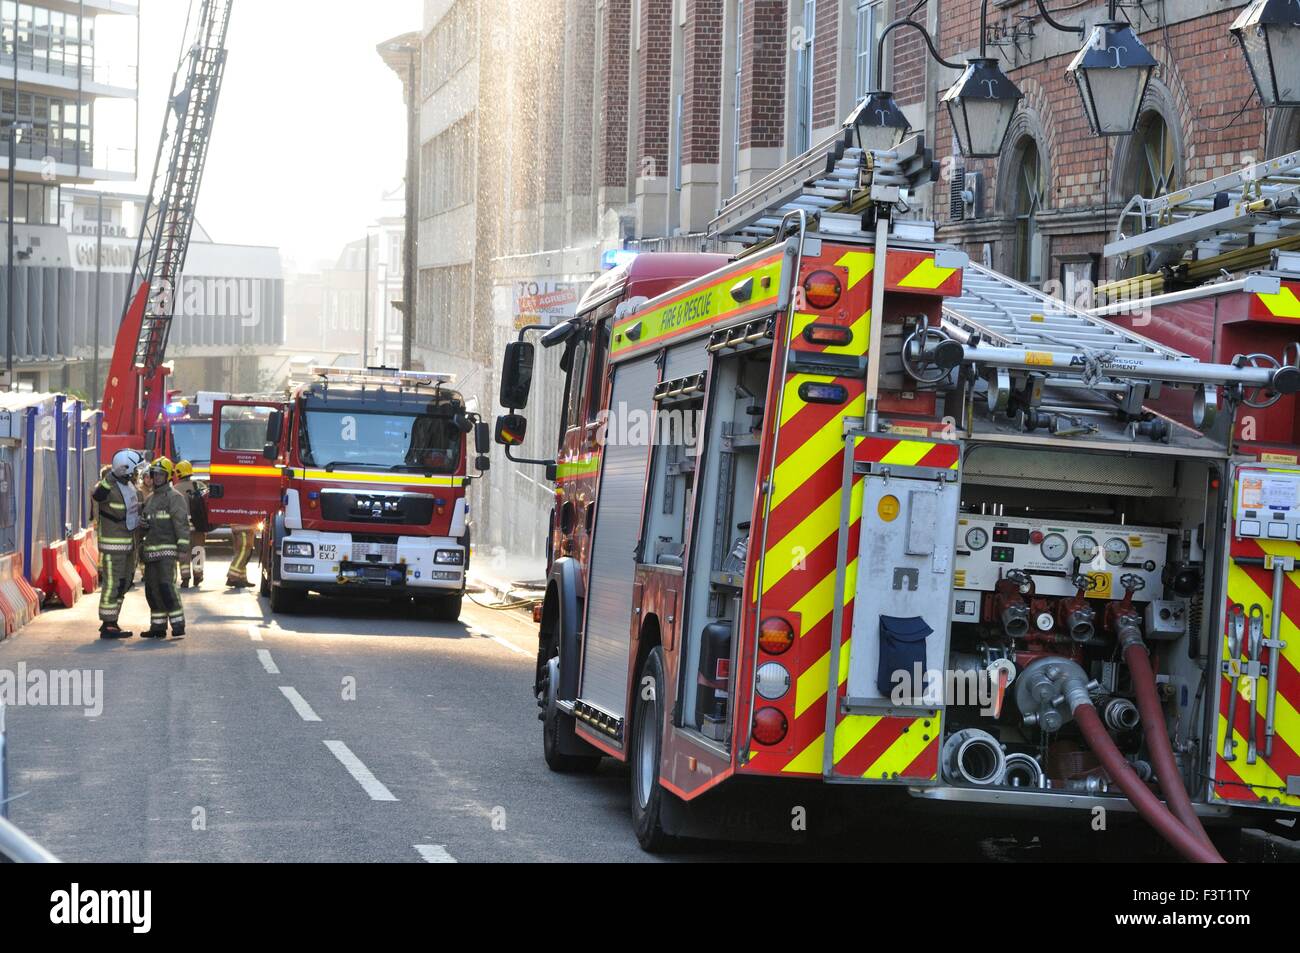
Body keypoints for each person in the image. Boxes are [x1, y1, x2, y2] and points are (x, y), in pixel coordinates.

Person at [92, 449, 145, 639]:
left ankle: (113, 621)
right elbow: (97, 496)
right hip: (113, 548)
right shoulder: (108, 487)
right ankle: (107, 624)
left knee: (124, 583)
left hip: (129, 547)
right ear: (126, 468)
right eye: (135, 469)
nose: (138, 473)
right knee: (112, 584)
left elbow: (134, 515)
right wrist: (112, 476)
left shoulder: (132, 489)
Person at [139, 457, 191, 639]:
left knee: (166, 587)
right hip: (151, 552)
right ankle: (158, 627)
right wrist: (143, 524)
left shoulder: (175, 498)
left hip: (167, 551)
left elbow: (182, 524)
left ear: (168, 476)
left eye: (162, 474)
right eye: (155, 474)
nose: (158, 478)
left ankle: (178, 624)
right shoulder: (150, 499)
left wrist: (183, 549)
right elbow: (145, 523)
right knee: (152, 590)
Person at [173, 460, 209, 588]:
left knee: (184, 552)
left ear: (178, 473)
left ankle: (185, 578)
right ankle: (198, 576)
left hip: (182, 527)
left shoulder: (174, 489)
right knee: (198, 550)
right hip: (198, 526)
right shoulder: (199, 485)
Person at [227, 524, 256, 589]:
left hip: (245, 530)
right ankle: (232, 577)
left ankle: (241, 578)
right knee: (242, 554)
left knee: (244, 556)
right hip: (243, 530)